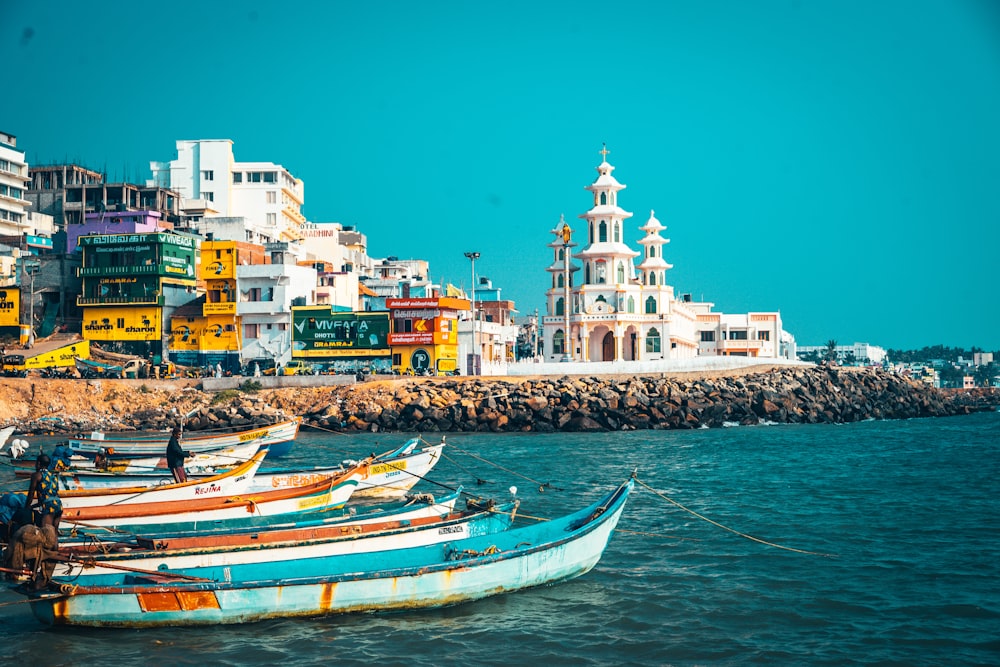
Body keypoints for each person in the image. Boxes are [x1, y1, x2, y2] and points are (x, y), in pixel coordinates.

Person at [26, 454, 62, 533]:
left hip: (49, 507)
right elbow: (50, 496)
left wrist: (26, 508)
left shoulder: (36, 475)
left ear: (38, 464)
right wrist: (33, 506)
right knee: (54, 535)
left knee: (46, 535)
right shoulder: (53, 476)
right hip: (58, 505)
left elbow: (31, 494)